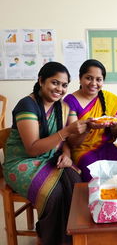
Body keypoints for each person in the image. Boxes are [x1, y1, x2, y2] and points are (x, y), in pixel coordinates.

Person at [3, 62, 89, 245]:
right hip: (22, 162)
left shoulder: (63, 107)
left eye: (64, 85)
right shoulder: (27, 105)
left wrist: (67, 154)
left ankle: (71, 238)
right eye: (54, 83)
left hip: (50, 158)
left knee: (76, 182)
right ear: (41, 81)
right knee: (54, 193)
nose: (59, 89)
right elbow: (32, 148)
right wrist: (66, 132)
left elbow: (68, 142)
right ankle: (47, 238)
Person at [64, 59, 117, 181]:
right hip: (82, 150)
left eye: (98, 79)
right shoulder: (70, 101)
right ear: (80, 78)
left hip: (108, 146)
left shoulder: (110, 99)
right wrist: (88, 128)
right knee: (92, 174)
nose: (93, 83)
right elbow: (73, 142)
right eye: (89, 78)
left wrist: (115, 126)